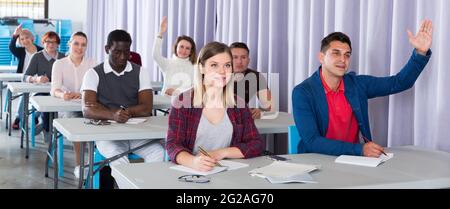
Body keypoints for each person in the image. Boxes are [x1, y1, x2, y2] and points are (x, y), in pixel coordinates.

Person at [292, 19, 433, 157]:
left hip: (352, 163)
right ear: (321, 57)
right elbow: (312, 141)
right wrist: (359, 150)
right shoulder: (303, 92)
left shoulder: (357, 84)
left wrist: (420, 53)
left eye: (347, 55)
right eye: (336, 53)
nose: (343, 59)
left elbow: (399, 82)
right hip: (316, 162)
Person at [166, 42, 263, 172]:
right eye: (214, 65)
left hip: (229, 173)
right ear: (201, 68)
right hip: (192, 174)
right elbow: (173, 145)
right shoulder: (183, 102)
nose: (222, 71)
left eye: (227, 65)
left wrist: (221, 153)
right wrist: (193, 162)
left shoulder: (238, 104)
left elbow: (256, 143)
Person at [81, 29, 164, 167]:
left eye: (126, 52)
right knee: (119, 160)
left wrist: (125, 113)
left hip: (137, 132)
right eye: (117, 52)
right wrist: (114, 115)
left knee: (159, 153)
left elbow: (146, 107)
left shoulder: (140, 72)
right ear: (107, 49)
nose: (122, 57)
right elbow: (88, 109)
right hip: (107, 135)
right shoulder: (93, 74)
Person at [50, 31, 96, 178]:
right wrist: (63, 95)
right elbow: (54, 89)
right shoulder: (59, 64)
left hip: (87, 105)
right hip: (67, 107)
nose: (79, 48)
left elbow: (98, 88)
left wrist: (82, 94)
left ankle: (97, 164)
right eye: (76, 43)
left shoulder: (92, 63)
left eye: (83, 45)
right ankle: (80, 165)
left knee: (100, 121)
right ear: (69, 44)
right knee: (78, 124)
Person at [24, 31, 65, 140]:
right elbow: (24, 77)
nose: (50, 44)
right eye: (47, 41)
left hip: (58, 93)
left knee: (54, 105)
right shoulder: (37, 57)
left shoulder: (63, 57)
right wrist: (36, 78)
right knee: (48, 105)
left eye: (54, 42)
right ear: (43, 42)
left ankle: (45, 126)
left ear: (58, 44)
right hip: (40, 92)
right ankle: (47, 129)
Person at [9, 24, 43, 129]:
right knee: (24, 96)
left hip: (39, 82)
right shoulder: (20, 52)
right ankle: (18, 118)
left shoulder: (41, 51)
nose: (25, 40)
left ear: (32, 38)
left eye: (27, 38)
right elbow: (11, 47)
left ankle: (36, 116)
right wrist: (15, 35)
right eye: (22, 39)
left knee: (42, 97)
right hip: (24, 82)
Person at [153, 16, 196, 96]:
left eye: (187, 48)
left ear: (191, 51)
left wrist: (176, 92)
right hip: (167, 102)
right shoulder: (167, 63)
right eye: (181, 47)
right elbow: (155, 55)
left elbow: (194, 88)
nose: (183, 51)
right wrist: (160, 33)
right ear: (176, 47)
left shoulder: (194, 66)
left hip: (185, 102)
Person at [229, 42, 273, 119]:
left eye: (243, 57)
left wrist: (261, 111)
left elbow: (269, 105)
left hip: (241, 119)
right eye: (235, 57)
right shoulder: (220, 75)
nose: (239, 61)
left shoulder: (256, 76)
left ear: (248, 60)